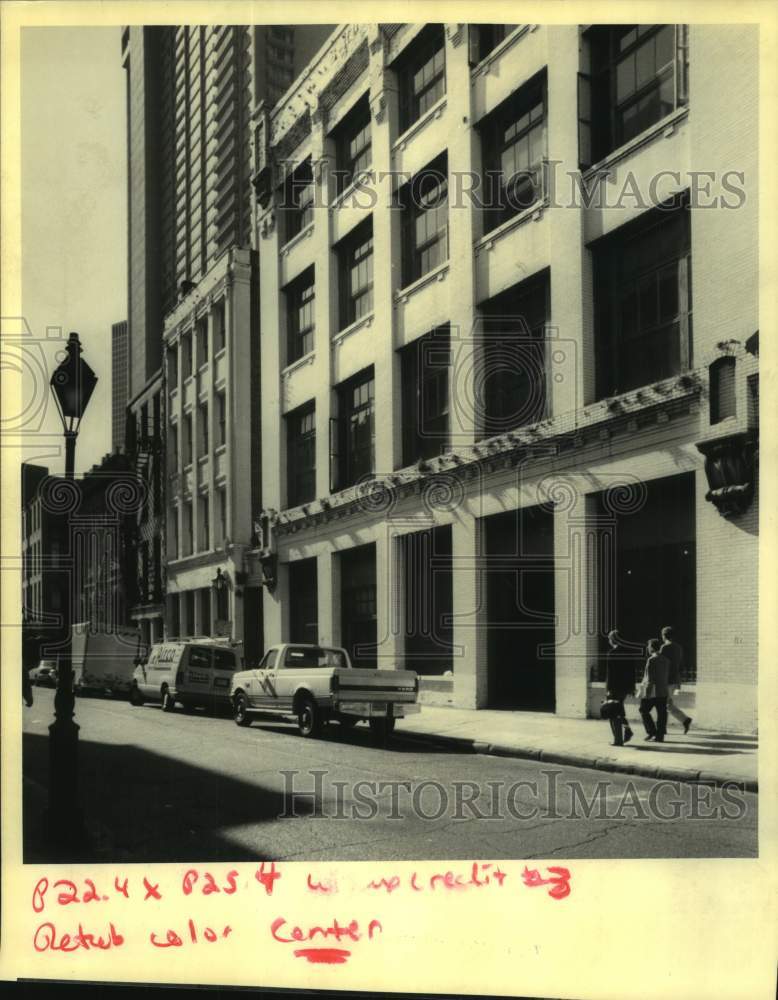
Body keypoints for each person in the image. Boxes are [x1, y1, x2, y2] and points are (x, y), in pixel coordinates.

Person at [604, 629, 635, 746]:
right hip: (625, 688)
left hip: (614, 688)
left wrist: (608, 690)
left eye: (609, 639)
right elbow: (632, 672)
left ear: (613, 640)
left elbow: (610, 674)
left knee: (613, 713)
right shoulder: (629, 653)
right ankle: (627, 731)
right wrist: (631, 688)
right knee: (619, 710)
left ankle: (618, 740)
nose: (609, 641)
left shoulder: (612, 653)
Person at [661, 625, 692, 734]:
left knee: (663, 704)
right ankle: (685, 720)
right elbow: (680, 665)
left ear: (664, 636)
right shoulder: (679, 647)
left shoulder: (664, 648)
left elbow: (661, 663)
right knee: (667, 704)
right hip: (675, 680)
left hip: (666, 680)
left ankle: (663, 728)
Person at [639, 638, 670, 742]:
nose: (648, 648)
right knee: (661, 714)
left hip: (652, 692)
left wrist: (646, 694)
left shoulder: (651, 660)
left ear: (652, 647)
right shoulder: (666, 660)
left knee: (643, 710)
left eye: (648, 646)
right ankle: (660, 736)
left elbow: (649, 679)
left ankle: (651, 731)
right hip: (663, 691)